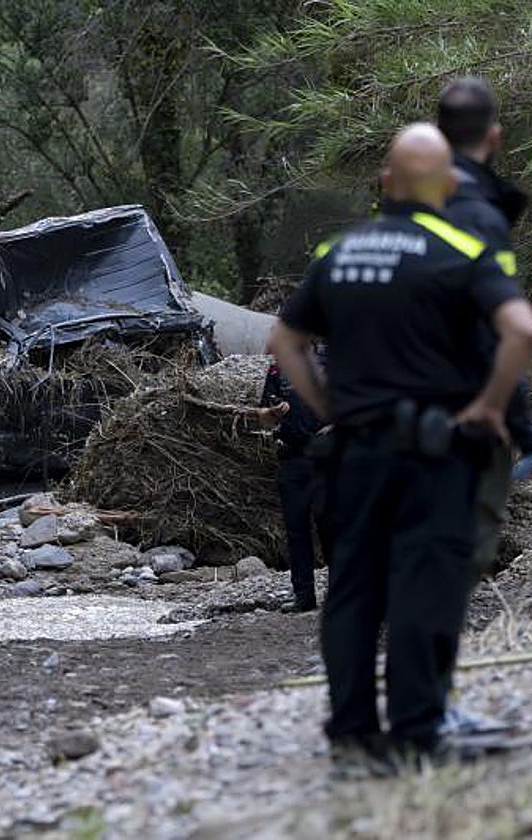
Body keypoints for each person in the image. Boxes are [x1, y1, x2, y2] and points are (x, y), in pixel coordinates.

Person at [269, 123, 532, 768]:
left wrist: (329, 405)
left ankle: (353, 732)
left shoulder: (339, 250)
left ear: (384, 184)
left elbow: (284, 342)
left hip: (355, 452)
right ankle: (418, 731)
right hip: (435, 454)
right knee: (424, 587)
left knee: (353, 590)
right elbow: (520, 330)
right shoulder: (459, 248)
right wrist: (490, 405)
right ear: (446, 187)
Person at [437, 77, 532, 581]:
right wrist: (507, 408)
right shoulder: (481, 214)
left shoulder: (399, 212)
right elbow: (507, 329)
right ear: (493, 137)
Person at [257, 351, 333, 613]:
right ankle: (304, 596)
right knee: (296, 530)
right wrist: (273, 411)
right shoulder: (278, 370)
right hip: (291, 458)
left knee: (330, 527)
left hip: (326, 459)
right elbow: (263, 412)